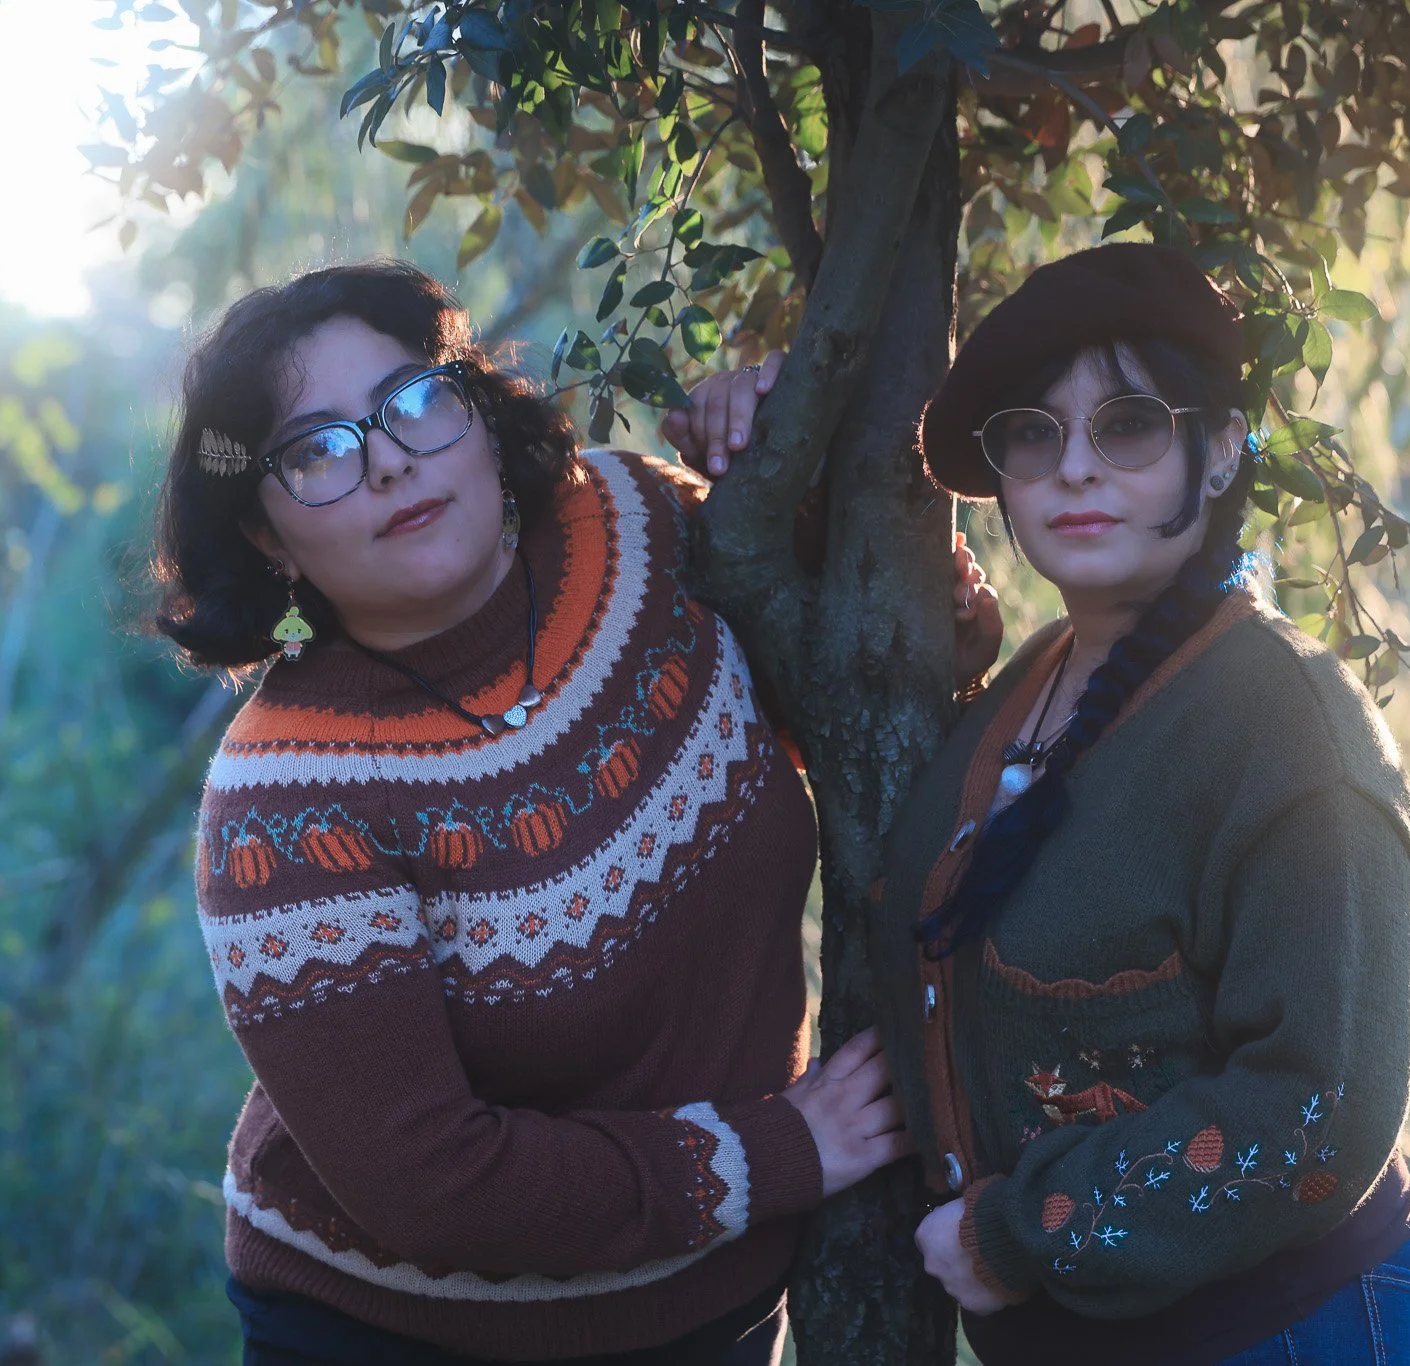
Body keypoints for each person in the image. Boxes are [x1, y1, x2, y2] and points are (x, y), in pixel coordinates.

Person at [151, 261, 988, 1365]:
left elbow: (919, 667)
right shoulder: (285, 802)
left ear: (475, 409)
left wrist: (805, 470)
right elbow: (432, 1186)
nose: (391, 459)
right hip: (400, 1332)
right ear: (264, 534)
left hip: (713, 1305)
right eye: (315, 451)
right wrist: (773, 1149)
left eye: (412, 400)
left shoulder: (636, 527)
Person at [690, 243, 1410, 1364]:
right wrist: (772, 450)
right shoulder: (1025, 691)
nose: (1073, 469)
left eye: (1128, 426)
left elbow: (1319, 1107)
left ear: (1216, 453)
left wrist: (1019, 1236)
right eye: (1033, 433)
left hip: (1288, 1331)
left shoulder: (1286, 726)